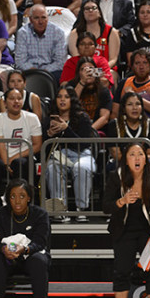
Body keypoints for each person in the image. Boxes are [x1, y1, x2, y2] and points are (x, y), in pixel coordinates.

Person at [103, 142, 150, 298]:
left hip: (149, 231)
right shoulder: (117, 177)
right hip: (123, 230)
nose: (137, 158)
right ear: (126, 159)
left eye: (141, 154)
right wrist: (122, 201)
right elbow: (106, 206)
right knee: (121, 271)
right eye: (132, 154)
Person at [0, 179, 51, 298]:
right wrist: (3, 249)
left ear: (29, 198)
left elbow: (40, 243)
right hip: (7, 257)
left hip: (30, 255)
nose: (17, 201)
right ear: (7, 198)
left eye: (22, 196)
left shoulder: (40, 215)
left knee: (39, 261)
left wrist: (25, 249)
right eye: (13, 196)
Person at [44, 86, 98, 218]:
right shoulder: (49, 119)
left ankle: (81, 209)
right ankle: (59, 210)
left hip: (82, 154)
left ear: (72, 100)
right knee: (52, 168)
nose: (62, 100)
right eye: (59, 97)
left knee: (82, 168)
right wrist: (50, 135)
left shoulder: (82, 118)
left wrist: (66, 129)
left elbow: (82, 144)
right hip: (60, 155)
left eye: (66, 97)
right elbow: (45, 149)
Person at [0, 89, 43, 184]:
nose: (16, 101)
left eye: (19, 98)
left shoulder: (32, 118)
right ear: (5, 103)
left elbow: (37, 145)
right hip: (4, 157)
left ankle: (23, 196)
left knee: (19, 163)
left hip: (25, 156)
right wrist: (7, 163)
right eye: (12, 99)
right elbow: (1, 147)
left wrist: (13, 158)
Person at [119, 49, 150, 134]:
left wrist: (134, 96)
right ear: (131, 66)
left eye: (145, 63)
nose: (141, 67)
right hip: (126, 129)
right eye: (137, 63)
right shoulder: (124, 83)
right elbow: (115, 113)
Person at [15, 5, 69, 79]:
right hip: (28, 71)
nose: (40, 22)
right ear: (30, 20)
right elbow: (20, 62)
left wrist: (43, 72)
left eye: (43, 17)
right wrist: (35, 72)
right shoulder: (23, 33)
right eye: (36, 18)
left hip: (51, 72)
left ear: (47, 19)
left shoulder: (58, 33)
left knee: (62, 75)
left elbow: (60, 62)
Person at [68, 0, 117, 65]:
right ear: (83, 14)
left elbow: (113, 59)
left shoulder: (111, 31)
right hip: (82, 69)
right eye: (87, 9)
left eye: (94, 8)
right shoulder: (75, 33)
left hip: (106, 69)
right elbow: (76, 58)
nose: (90, 10)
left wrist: (101, 70)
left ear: (99, 13)